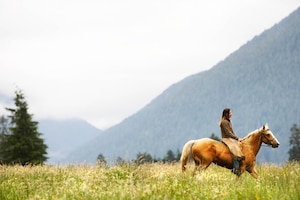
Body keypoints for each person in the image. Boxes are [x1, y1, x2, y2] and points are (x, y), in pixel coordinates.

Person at [219, 108, 244, 175]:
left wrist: (237, 138)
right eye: (230, 113)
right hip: (225, 139)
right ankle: (235, 168)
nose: (231, 114)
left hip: (229, 139)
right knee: (234, 150)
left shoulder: (228, 121)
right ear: (226, 114)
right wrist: (237, 138)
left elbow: (231, 132)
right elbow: (228, 133)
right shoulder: (224, 122)